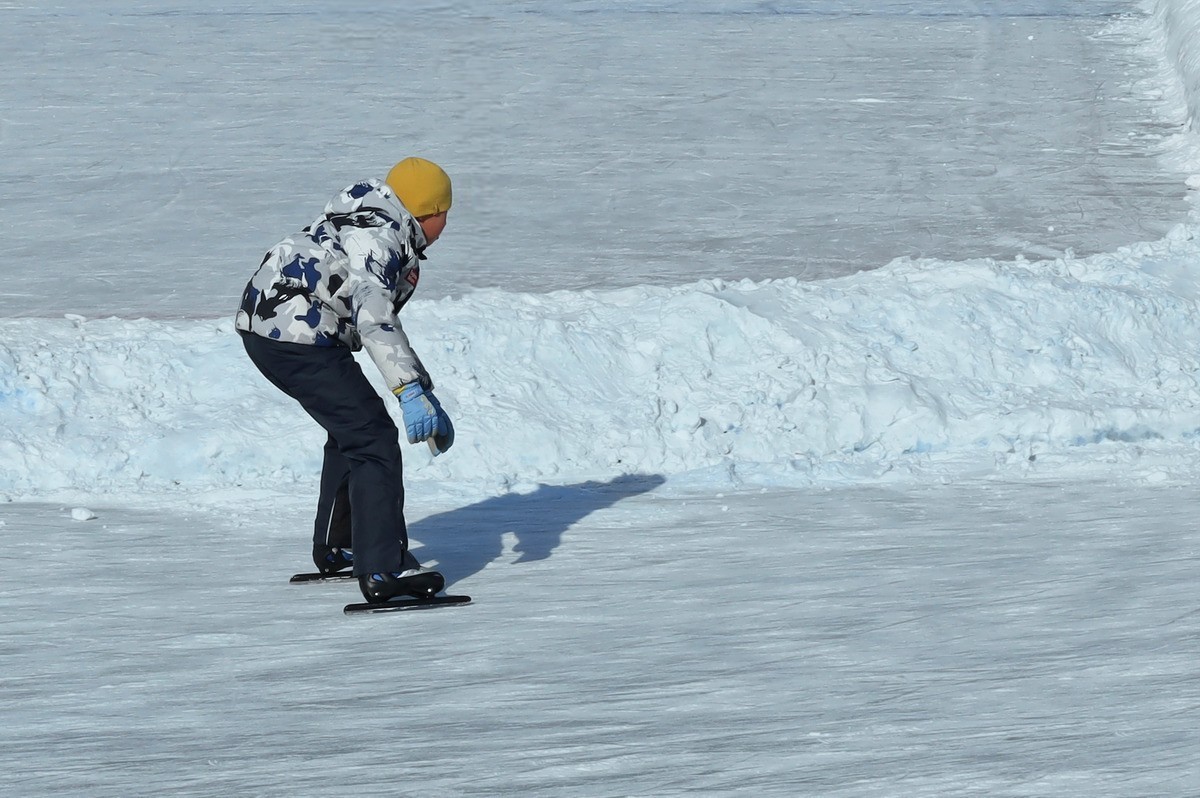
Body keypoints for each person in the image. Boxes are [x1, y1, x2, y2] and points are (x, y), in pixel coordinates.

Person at [235, 157, 455, 603]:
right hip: (296, 335)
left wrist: (422, 390)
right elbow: (375, 319)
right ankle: (381, 571)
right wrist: (410, 391)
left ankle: (340, 546)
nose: (446, 224)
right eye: (445, 214)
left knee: (352, 428)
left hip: (269, 329)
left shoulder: (371, 219)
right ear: (430, 212)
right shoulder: (379, 239)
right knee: (373, 438)